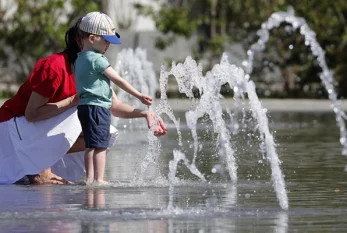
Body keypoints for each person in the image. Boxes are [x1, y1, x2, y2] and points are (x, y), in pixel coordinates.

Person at [0, 15, 167, 185]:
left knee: (103, 131)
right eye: (105, 40)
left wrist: (145, 113)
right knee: (81, 110)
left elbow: (114, 106)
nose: (108, 45)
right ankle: (41, 170)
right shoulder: (55, 67)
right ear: (84, 40)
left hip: (30, 134)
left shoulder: (95, 66)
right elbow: (31, 114)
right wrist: (72, 101)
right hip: (8, 131)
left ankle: (82, 176)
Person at [74, 12, 154, 185]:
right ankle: (99, 179)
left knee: (90, 145)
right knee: (101, 145)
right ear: (92, 38)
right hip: (98, 107)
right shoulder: (98, 59)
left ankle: (90, 178)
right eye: (106, 40)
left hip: (84, 107)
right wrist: (139, 95)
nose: (109, 45)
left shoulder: (79, 59)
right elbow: (118, 79)